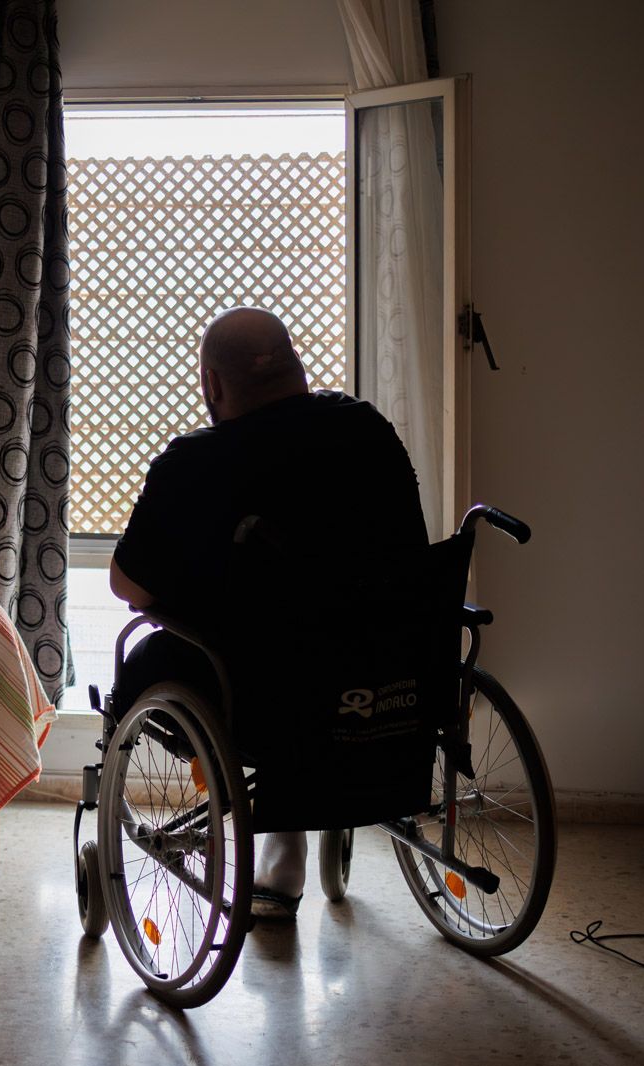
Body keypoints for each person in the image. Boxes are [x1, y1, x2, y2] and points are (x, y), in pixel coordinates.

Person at [108, 307, 429, 920]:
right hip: (390, 679)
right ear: (296, 366)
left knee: (154, 653)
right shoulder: (367, 427)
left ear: (212, 384)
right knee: (304, 637)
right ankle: (294, 824)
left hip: (265, 698)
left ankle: (282, 833)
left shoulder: (195, 462)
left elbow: (129, 585)